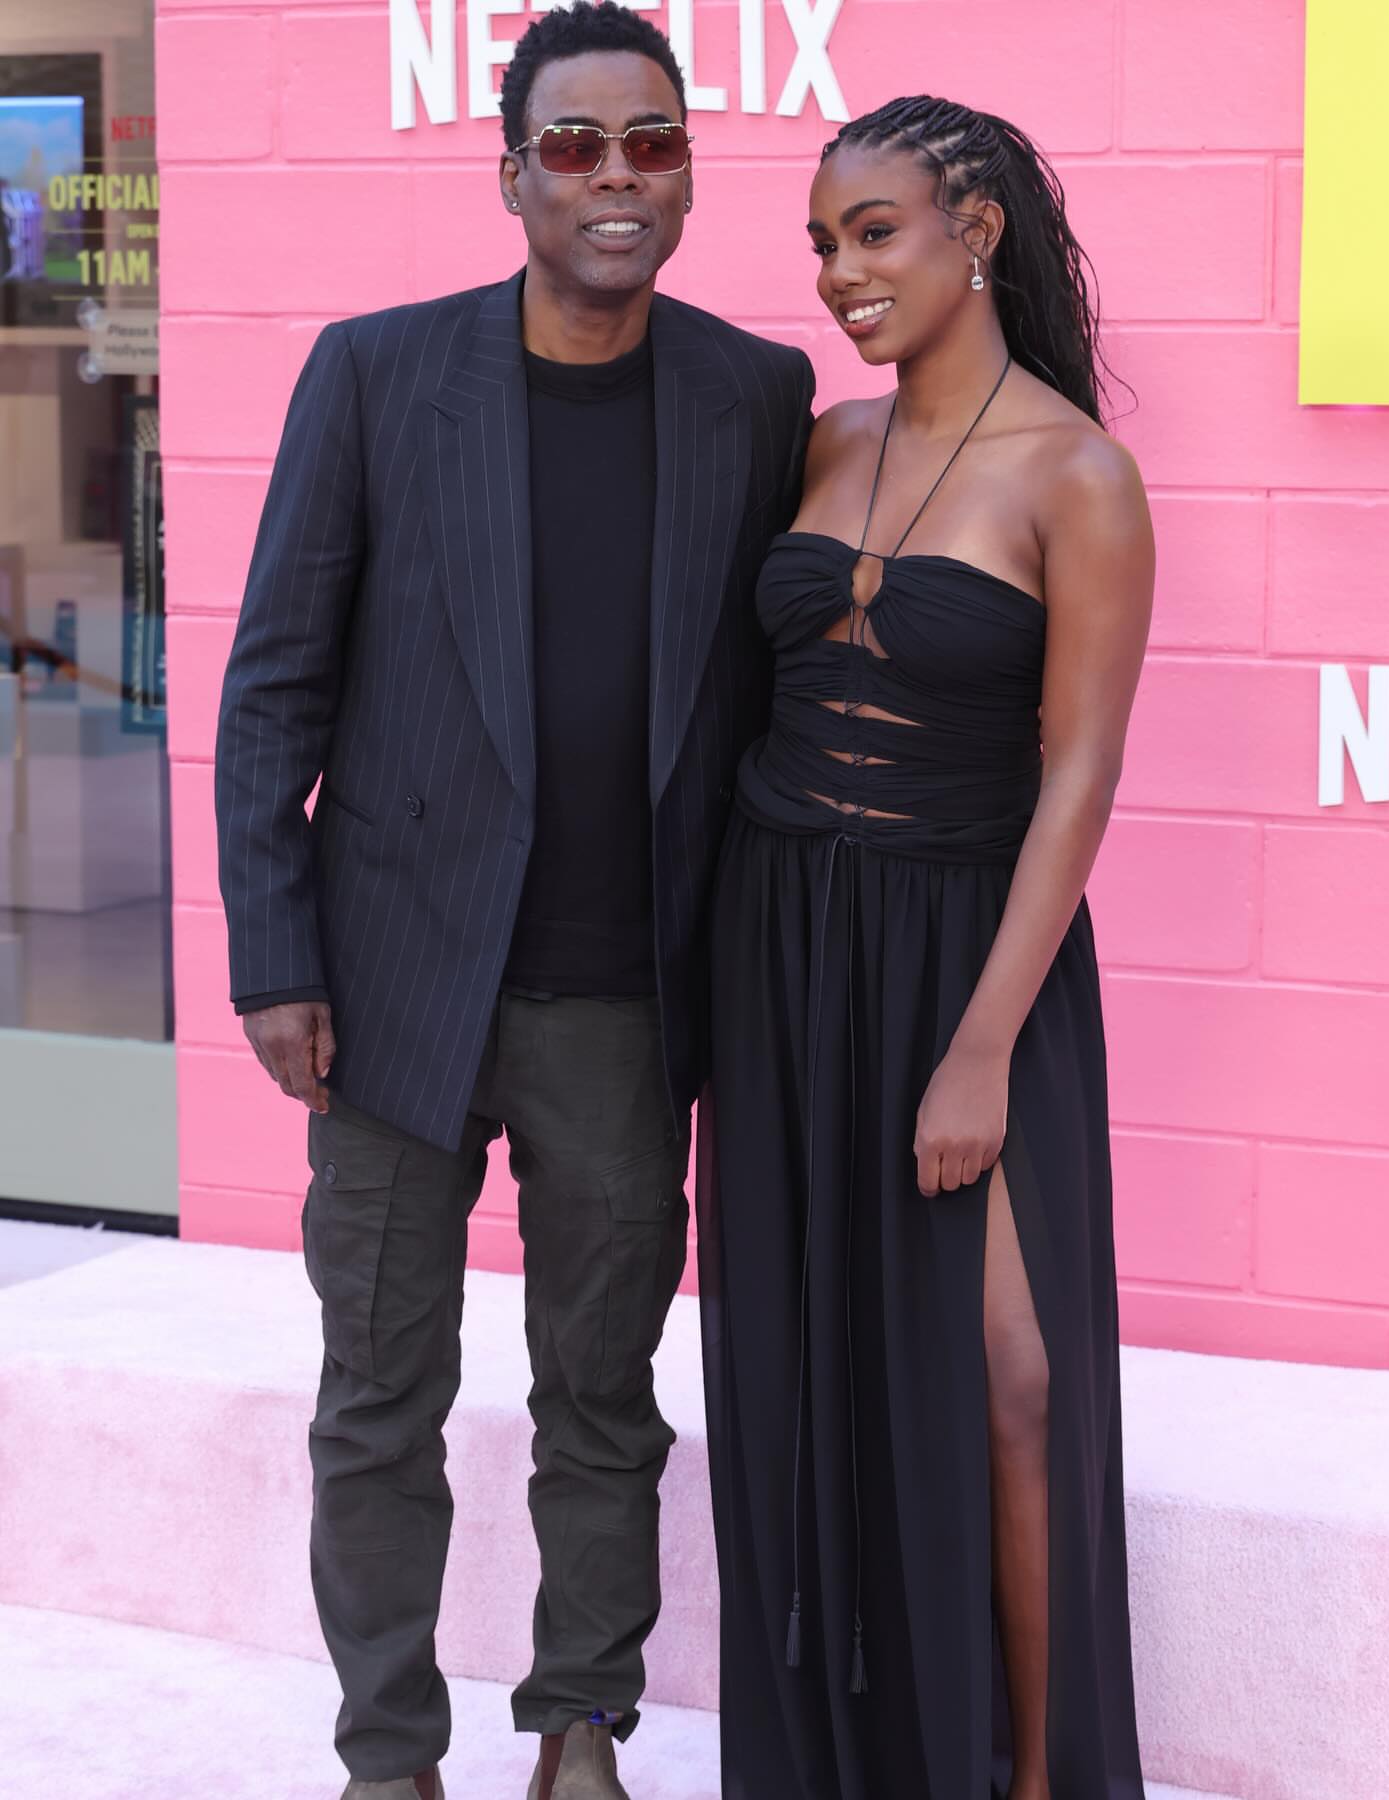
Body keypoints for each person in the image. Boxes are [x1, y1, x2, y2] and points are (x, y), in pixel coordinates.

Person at [213, 4, 813, 1795]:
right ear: (510, 175)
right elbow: (273, 685)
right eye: (576, 147)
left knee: (602, 1403)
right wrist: (275, 956)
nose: (616, 179)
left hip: (624, 999)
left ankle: (577, 1731)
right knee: (379, 1404)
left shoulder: (753, 395)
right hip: (391, 992)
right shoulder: (382, 374)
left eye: (652, 145)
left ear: (689, 170)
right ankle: (390, 1752)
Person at [698, 96, 1154, 1799]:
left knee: (1011, 1376)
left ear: (976, 227)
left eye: (873, 232)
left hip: (974, 955)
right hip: (783, 945)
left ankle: (1031, 1775)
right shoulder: (822, 441)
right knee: (813, 1356)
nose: (839, 273)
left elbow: (1081, 775)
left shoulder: (1081, 475)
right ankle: (845, 1756)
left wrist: (978, 1047)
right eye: (823, 241)